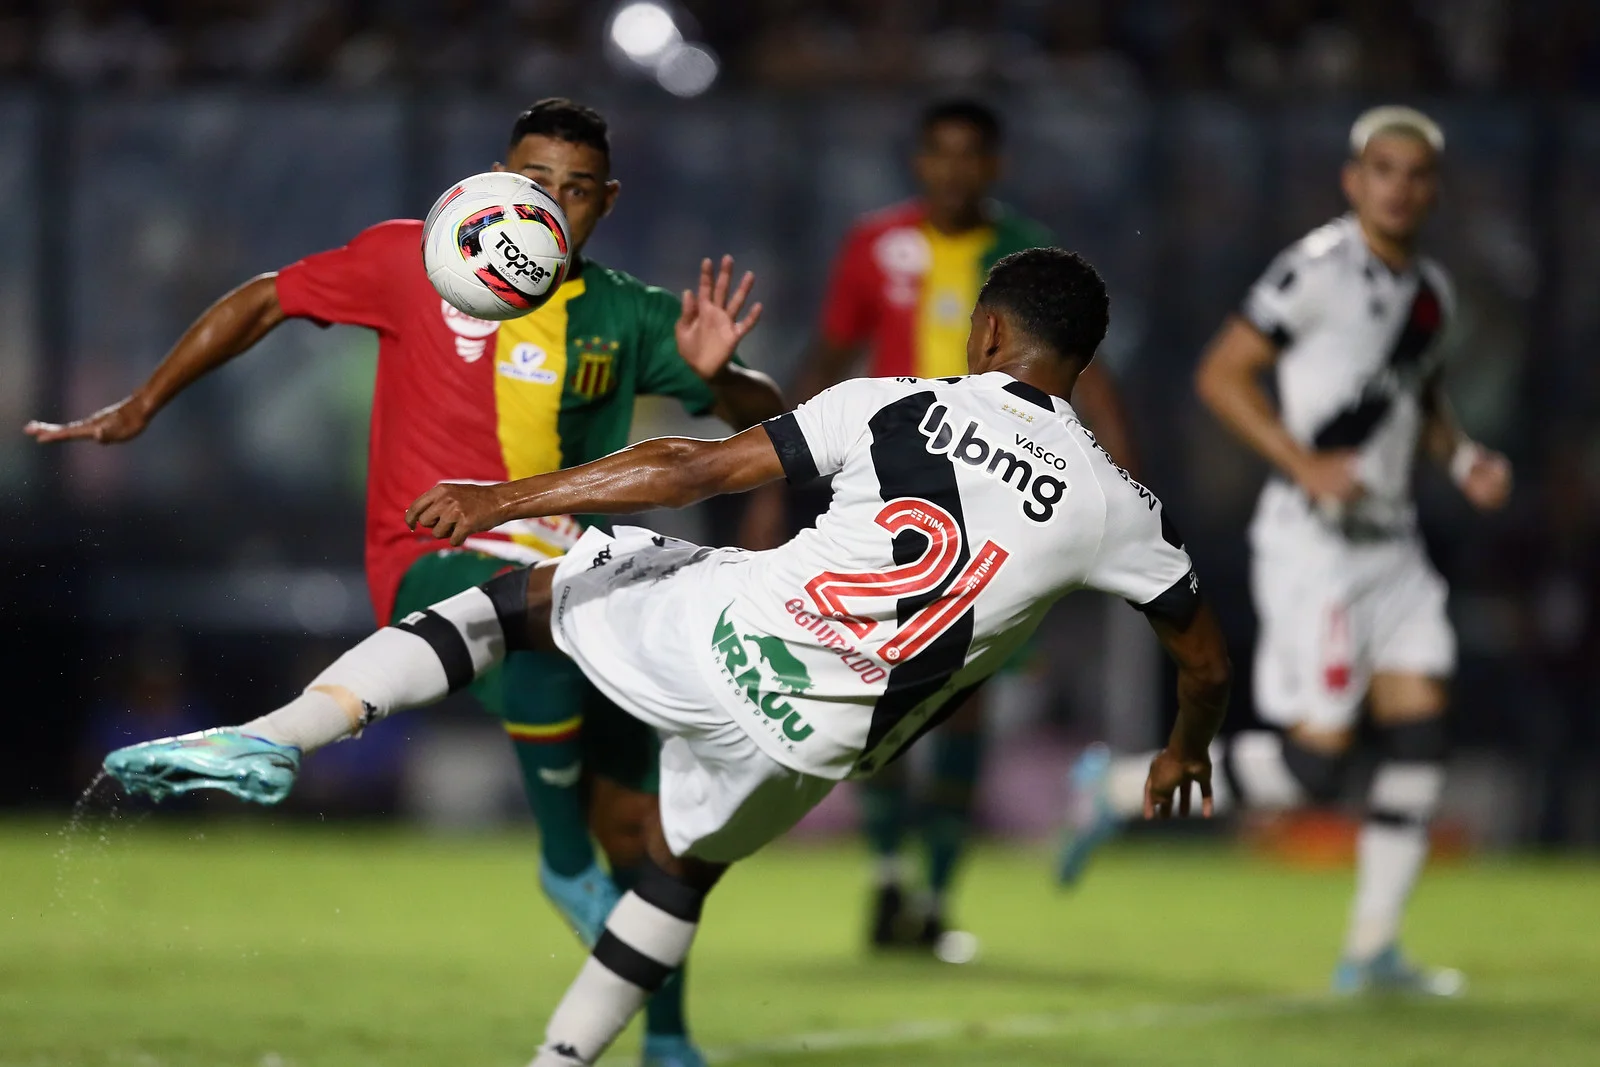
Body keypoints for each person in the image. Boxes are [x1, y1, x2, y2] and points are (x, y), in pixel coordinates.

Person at [103, 247, 1232, 1066]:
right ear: (1081, 361)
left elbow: (691, 471)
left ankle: (276, 733)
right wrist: (1180, 751)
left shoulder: (895, 404)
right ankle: (561, 1060)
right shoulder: (1119, 506)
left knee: (530, 592)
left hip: (725, 632)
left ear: (986, 333)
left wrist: (510, 496)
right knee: (679, 873)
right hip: (820, 739)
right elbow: (1202, 657)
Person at [27, 97, 784, 1067]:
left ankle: (666, 1039)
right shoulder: (416, 260)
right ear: (495, 179)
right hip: (431, 553)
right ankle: (539, 849)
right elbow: (265, 295)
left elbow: (763, 421)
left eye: (575, 188)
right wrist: (142, 403)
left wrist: (723, 378)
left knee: (641, 829)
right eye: (533, 179)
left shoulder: (629, 313)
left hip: (578, 581)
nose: (549, 203)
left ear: (607, 201)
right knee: (546, 627)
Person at [1055, 107, 1512, 996]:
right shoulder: (1316, 268)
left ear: (1432, 188)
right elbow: (1221, 371)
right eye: (1383, 169)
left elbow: (1421, 398)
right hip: (1318, 548)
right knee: (1314, 766)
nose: (1399, 186)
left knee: (1422, 731)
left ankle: (1371, 948)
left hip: (1395, 549)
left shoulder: (1432, 295)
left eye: (1416, 173)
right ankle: (1112, 789)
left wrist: (1463, 458)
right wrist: (1303, 461)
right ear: (1354, 180)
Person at [778, 97, 1142, 955]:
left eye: (969, 155)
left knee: (964, 702)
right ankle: (887, 881)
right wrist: (776, 469)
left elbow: (1091, 377)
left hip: (999, 503)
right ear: (918, 162)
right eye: (937, 153)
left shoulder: (1026, 254)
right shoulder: (874, 246)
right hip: (891, 500)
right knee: (883, 695)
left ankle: (934, 896)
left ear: (994, 166)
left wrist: (1124, 478)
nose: (952, 170)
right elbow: (830, 355)